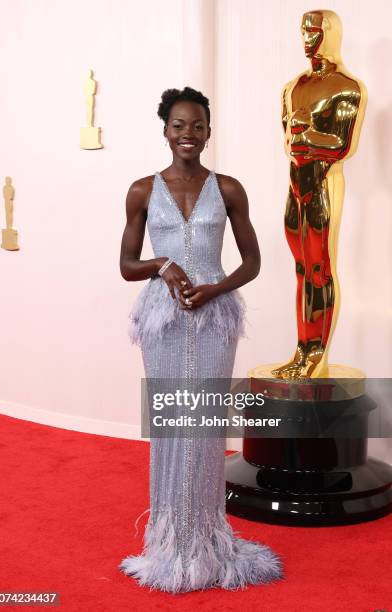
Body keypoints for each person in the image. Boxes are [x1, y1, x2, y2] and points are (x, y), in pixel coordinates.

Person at [118, 86, 283, 592]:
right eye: (178, 126)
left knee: (206, 425)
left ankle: (207, 539)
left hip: (214, 319)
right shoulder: (143, 190)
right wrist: (163, 266)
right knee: (173, 424)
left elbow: (252, 261)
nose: (187, 135)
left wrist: (216, 287)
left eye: (197, 126)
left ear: (209, 132)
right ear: (165, 130)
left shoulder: (229, 188)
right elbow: (127, 266)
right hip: (162, 321)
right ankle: (171, 542)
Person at [272, 10, 366, 379]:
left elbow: (341, 146)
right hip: (296, 185)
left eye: (314, 30)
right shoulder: (292, 86)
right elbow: (287, 143)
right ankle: (302, 350)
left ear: (330, 33)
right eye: (303, 30)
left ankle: (317, 356)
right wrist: (299, 136)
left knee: (319, 269)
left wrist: (305, 134)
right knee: (301, 270)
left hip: (325, 183)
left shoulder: (347, 87)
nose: (307, 37)